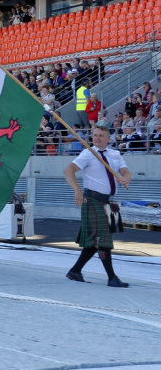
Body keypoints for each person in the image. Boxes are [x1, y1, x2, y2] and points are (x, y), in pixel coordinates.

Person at [63, 121, 131, 287]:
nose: (97, 138)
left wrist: (125, 179)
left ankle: (75, 271)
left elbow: (125, 172)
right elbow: (68, 171)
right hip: (93, 200)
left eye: (101, 135)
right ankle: (112, 278)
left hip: (110, 202)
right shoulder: (88, 153)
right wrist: (77, 190)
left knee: (97, 241)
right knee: (103, 240)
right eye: (95, 135)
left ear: (108, 138)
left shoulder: (115, 154)